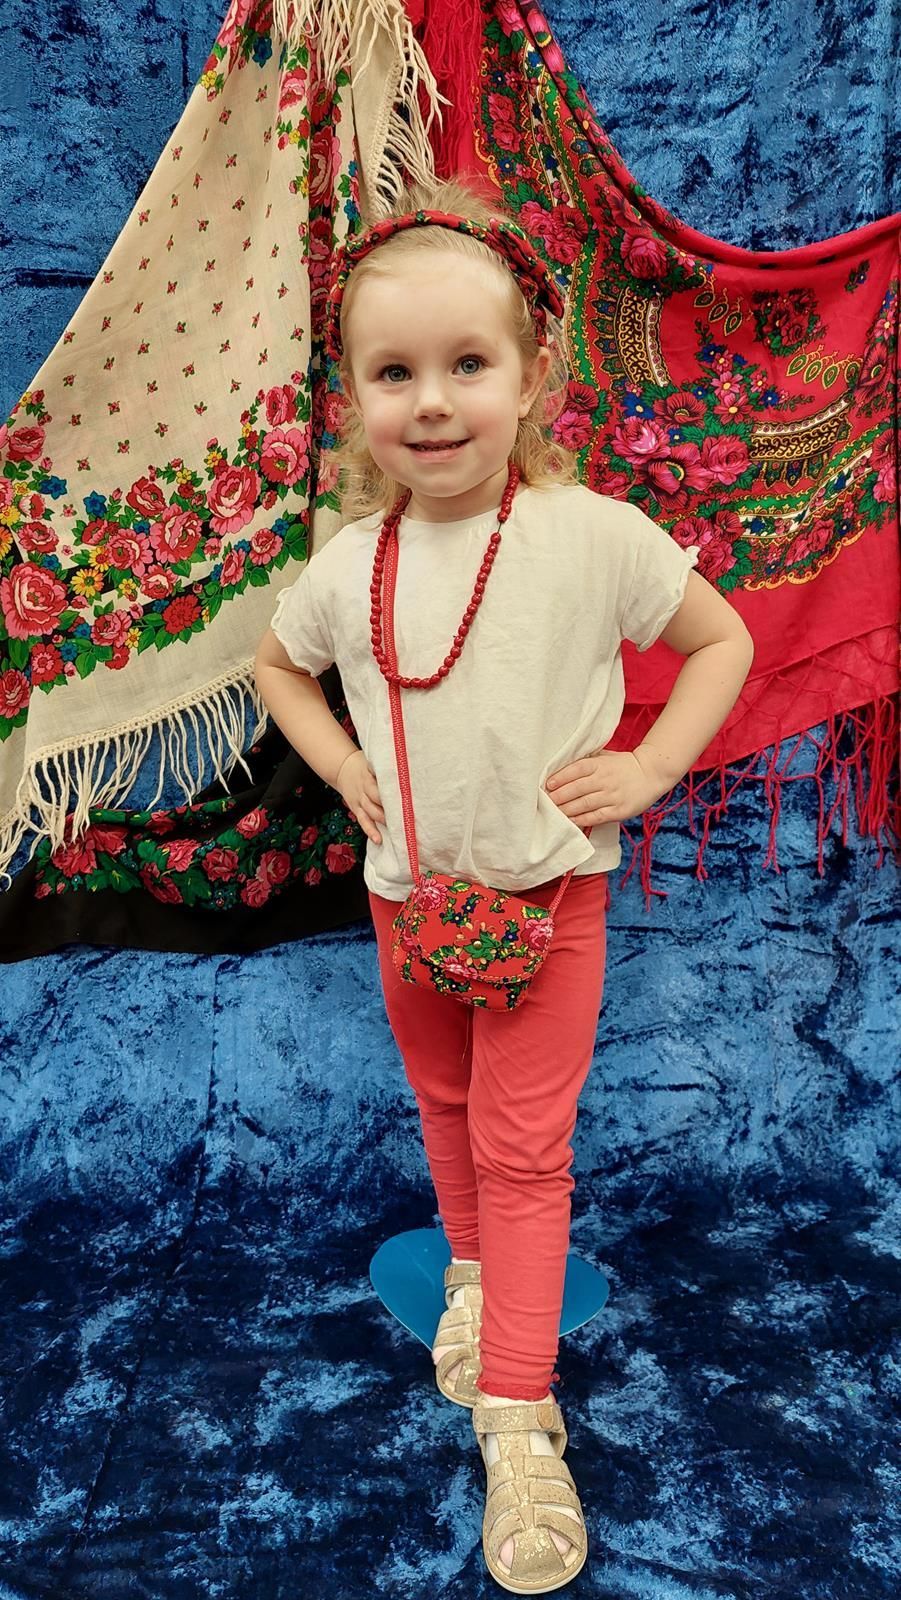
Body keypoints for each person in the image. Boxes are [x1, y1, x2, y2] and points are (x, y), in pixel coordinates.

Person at [254, 173, 754, 1594]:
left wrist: (651, 765)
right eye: (392, 373)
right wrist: (340, 762)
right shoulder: (347, 563)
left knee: (526, 1150)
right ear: (352, 397)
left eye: (467, 365)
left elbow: (718, 642)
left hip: (546, 908)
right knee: (448, 1105)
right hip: (409, 904)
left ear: (532, 379)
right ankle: (470, 1278)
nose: (431, 403)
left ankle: (521, 1418)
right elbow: (277, 664)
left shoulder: (593, 537)